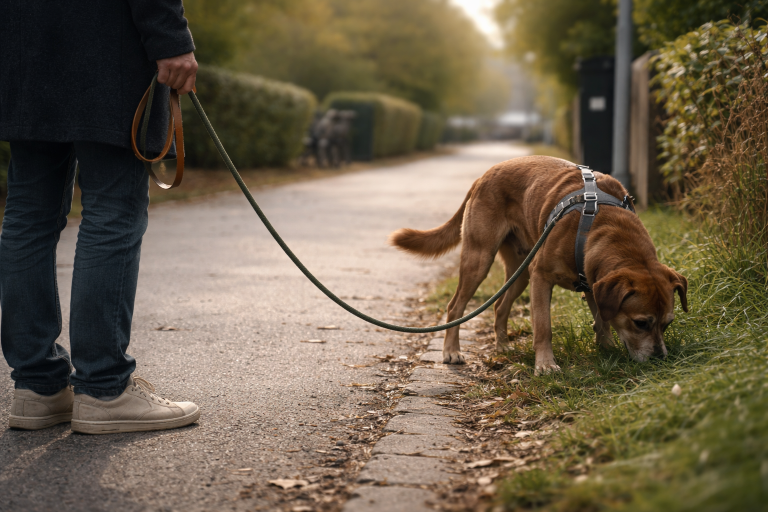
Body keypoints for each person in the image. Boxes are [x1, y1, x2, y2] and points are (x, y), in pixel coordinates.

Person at [0, 1, 200, 434]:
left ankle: (36, 387)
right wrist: (170, 38)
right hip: (106, 45)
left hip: (24, 43)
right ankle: (104, 390)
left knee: (28, 214)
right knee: (113, 211)